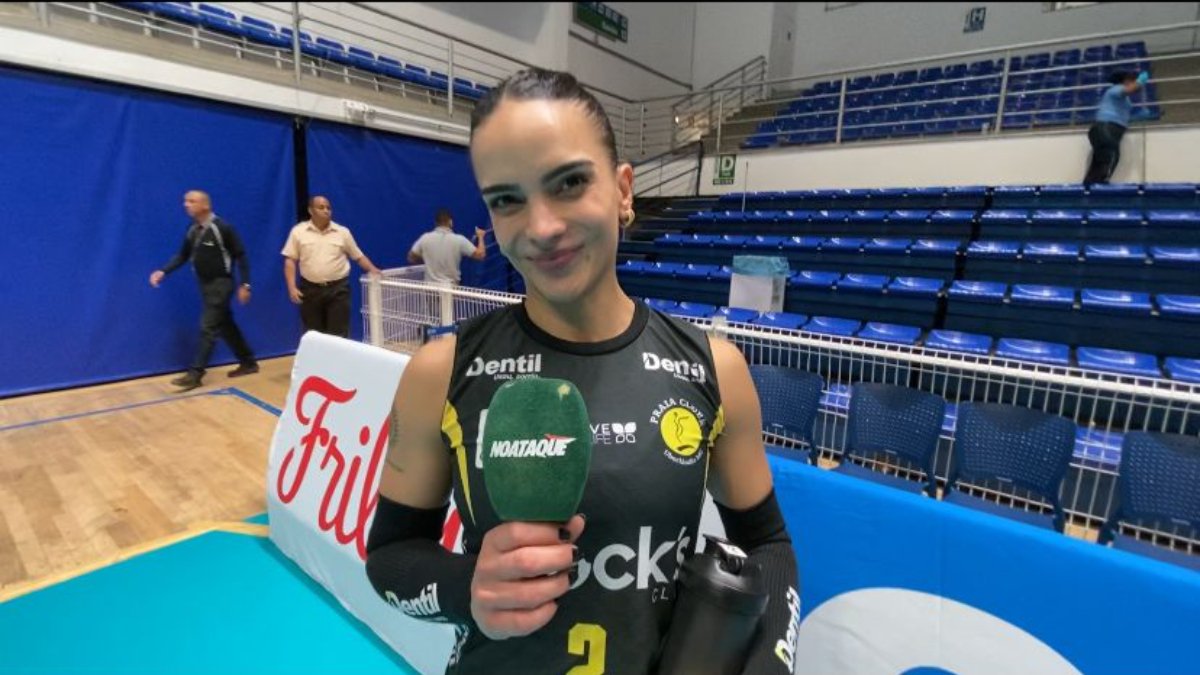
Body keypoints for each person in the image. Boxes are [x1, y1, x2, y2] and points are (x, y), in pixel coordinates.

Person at [365, 69, 798, 674]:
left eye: (568, 183)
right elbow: (388, 559)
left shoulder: (714, 368)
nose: (541, 227)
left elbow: (769, 548)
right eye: (507, 200)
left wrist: (771, 665)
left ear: (624, 191)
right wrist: (469, 588)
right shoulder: (441, 370)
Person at [149, 190, 258, 392]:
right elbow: (182, 255)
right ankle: (248, 361)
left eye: (191, 201)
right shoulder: (192, 229)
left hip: (221, 284)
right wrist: (163, 271)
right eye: (185, 201)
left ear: (205, 206)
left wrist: (245, 284)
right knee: (225, 324)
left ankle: (196, 374)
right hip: (204, 285)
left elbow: (241, 256)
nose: (186, 204)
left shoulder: (222, 228)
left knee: (208, 327)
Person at [282, 195, 382, 338]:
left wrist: (373, 269)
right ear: (311, 211)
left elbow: (358, 256)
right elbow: (290, 260)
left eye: (328, 208)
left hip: (338, 289)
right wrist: (291, 287)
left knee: (338, 335)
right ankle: (317, 361)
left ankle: (338, 361)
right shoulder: (298, 232)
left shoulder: (342, 232)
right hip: (310, 290)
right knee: (313, 335)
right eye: (321, 207)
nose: (326, 211)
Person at [1083, 70, 1150, 186]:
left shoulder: (1123, 98)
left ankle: (1088, 190)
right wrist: (1141, 81)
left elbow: (1122, 114)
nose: (1134, 82)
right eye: (1132, 80)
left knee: (1099, 163)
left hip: (1107, 129)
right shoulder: (1115, 89)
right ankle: (1099, 187)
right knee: (1111, 156)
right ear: (1125, 81)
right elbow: (1131, 89)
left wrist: (1137, 116)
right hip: (1106, 128)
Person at [407, 209, 487, 284]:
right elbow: (480, 255)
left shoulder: (425, 238)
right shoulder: (459, 240)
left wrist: (427, 259)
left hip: (430, 290)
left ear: (436, 223)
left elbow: (411, 257)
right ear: (450, 222)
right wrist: (480, 236)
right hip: (450, 289)